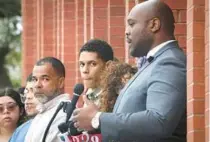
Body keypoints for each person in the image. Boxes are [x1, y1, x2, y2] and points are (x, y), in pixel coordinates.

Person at [72, 0, 187, 142]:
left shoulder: (169, 61)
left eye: (132, 24)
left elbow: (160, 121)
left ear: (154, 25)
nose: (126, 32)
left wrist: (98, 118)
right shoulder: (151, 64)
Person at [24, 57, 70, 142]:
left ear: (60, 82)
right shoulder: (42, 112)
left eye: (45, 79)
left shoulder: (67, 113)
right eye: (35, 79)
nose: (37, 85)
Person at [79, 39, 114, 106]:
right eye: (82, 64)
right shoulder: (88, 94)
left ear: (108, 66)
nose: (85, 70)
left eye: (93, 64)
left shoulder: (115, 98)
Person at [9, 73, 40, 142]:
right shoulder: (20, 131)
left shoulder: (60, 124)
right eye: (26, 93)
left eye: (33, 91)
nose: (28, 97)